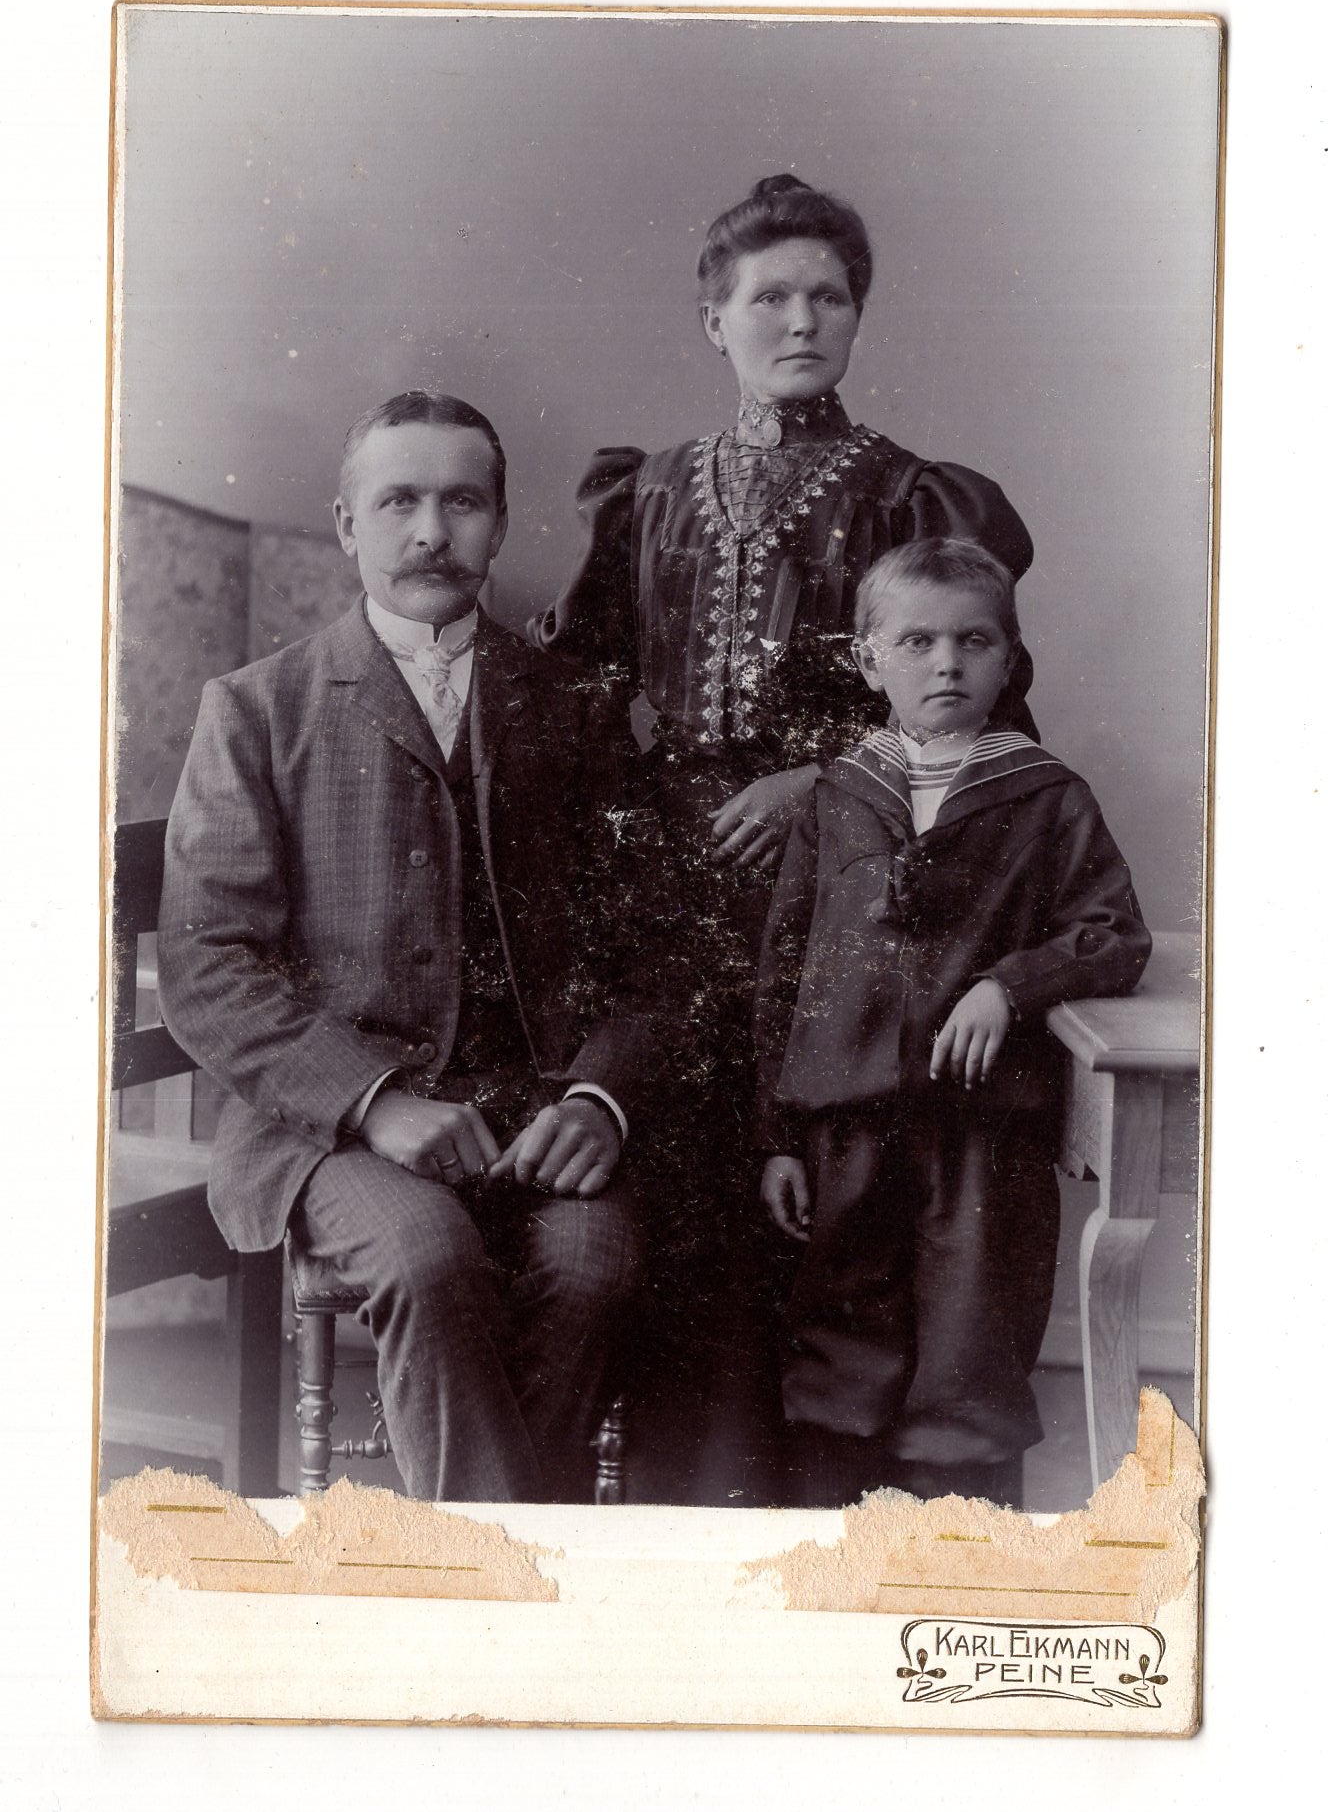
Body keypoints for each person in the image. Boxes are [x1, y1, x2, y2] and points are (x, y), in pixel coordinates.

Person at [531, 174, 1038, 1502]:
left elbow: (982, 721)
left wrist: (820, 782)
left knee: (823, 1203)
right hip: (672, 896)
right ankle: (693, 1519)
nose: (800, 321)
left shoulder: (910, 498)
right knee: (679, 1199)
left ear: (857, 314)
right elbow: (585, 687)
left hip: (847, 898)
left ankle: (832, 1516)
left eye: (827, 296)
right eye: (769, 298)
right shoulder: (650, 493)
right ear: (715, 320)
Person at [157, 390, 660, 1504]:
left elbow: (652, 952)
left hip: (533, 1117)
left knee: (596, 1267)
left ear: (500, 522)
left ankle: (483, 1556)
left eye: (462, 503)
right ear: (348, 525)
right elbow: (208, 961)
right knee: (428, 1256)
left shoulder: (574, 711)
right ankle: (502, 1571)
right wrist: (374, 1101)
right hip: (327, 1130)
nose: (432, 532)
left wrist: (598, 1100)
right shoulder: (257, 710)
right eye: (399, 503)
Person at [754, 539, 1151, 1507]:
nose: (946, 663)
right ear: (867, 660)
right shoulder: (839, 797)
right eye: (917, 641)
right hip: (846, 1126)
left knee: (970, 1358)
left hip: (980, 1134)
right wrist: (778, 1137)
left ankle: (963, 1550)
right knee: (839, 1345)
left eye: (974, 641)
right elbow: (782, 972)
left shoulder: (1044, 796)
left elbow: (1110, 933)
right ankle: (831, 1543)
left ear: (1009, 659)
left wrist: (1006, 987)